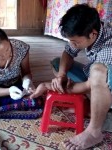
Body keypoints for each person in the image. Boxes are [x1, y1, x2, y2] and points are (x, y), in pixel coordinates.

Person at [30, 3, 112, 150]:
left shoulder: (108, 49)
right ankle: (93, 106)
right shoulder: (93, 31)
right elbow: (68, 53)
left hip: (105, 81)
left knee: (98, 71)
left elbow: (90, 84)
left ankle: (94, 131)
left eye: (76, 41)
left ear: (92, 34)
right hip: (94, 76)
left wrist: (48, 85)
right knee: (58, 64)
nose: (72, 45)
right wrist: (61, 75)